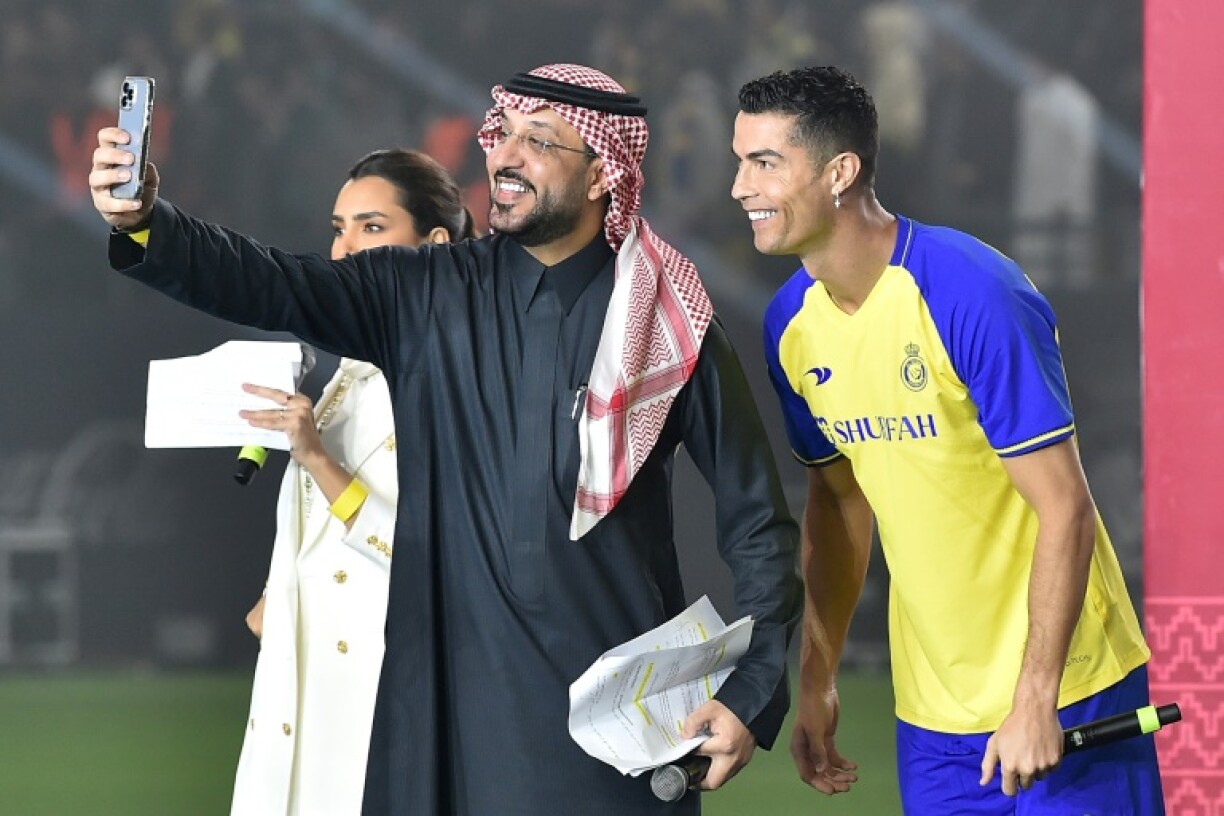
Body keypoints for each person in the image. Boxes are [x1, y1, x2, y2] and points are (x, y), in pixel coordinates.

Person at [90, 63, 801, 816]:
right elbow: (270, 281)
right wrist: (146, 223)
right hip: (443, 731)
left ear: (603, 174)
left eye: (539, 141)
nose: (504, 156)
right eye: (502, 135)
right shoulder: (424, 292)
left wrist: (752, 692)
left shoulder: (665, 326)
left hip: (607, 745)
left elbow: (760, 528)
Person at [735, 66, 1162, 813]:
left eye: (764, 163)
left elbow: (1066, 509)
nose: (741, 187)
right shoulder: (789, 326)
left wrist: (1035, 699)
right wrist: (817, 677)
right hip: (933, 726)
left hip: (1071, 694)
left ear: (840, 172)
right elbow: (838, 507)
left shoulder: (971, 290)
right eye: (741, 162)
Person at [232, 148, 475, 816]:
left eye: (371, 227)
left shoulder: (456, 376)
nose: (344, 249)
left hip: (375, 693)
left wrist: (316, 458)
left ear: (433, 245)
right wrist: (277, 593)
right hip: (301, 683)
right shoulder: (348, 368)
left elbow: (429, 552)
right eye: (339, 228)